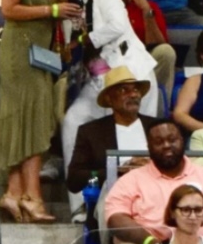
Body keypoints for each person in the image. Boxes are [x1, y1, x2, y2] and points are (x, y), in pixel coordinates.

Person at [0, 0, 81, 222]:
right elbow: (8, 9)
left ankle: (15, 194)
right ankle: (31, 196)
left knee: (33, 118)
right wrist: (52, 10)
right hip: (18, 52)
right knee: (26, 117)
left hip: (41, 53)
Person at [59, 0, 160, 205]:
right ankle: (86, 203)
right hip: (115, 74)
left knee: (138, 140)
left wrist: (81, 41)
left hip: (133, 74)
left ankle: (141, 201)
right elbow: (108, 40)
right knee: (75, 120)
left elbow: (116, 26)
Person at [65, 66, 160, 219]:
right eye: (124, 90)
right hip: (114, 195)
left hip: (155, 192)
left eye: (135, 90)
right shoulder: (91, 132)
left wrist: (152, 166)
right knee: (109, 209)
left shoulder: (157, 128)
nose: (133, 95)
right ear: (109, 98)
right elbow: (75, 180)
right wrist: (114, 172)